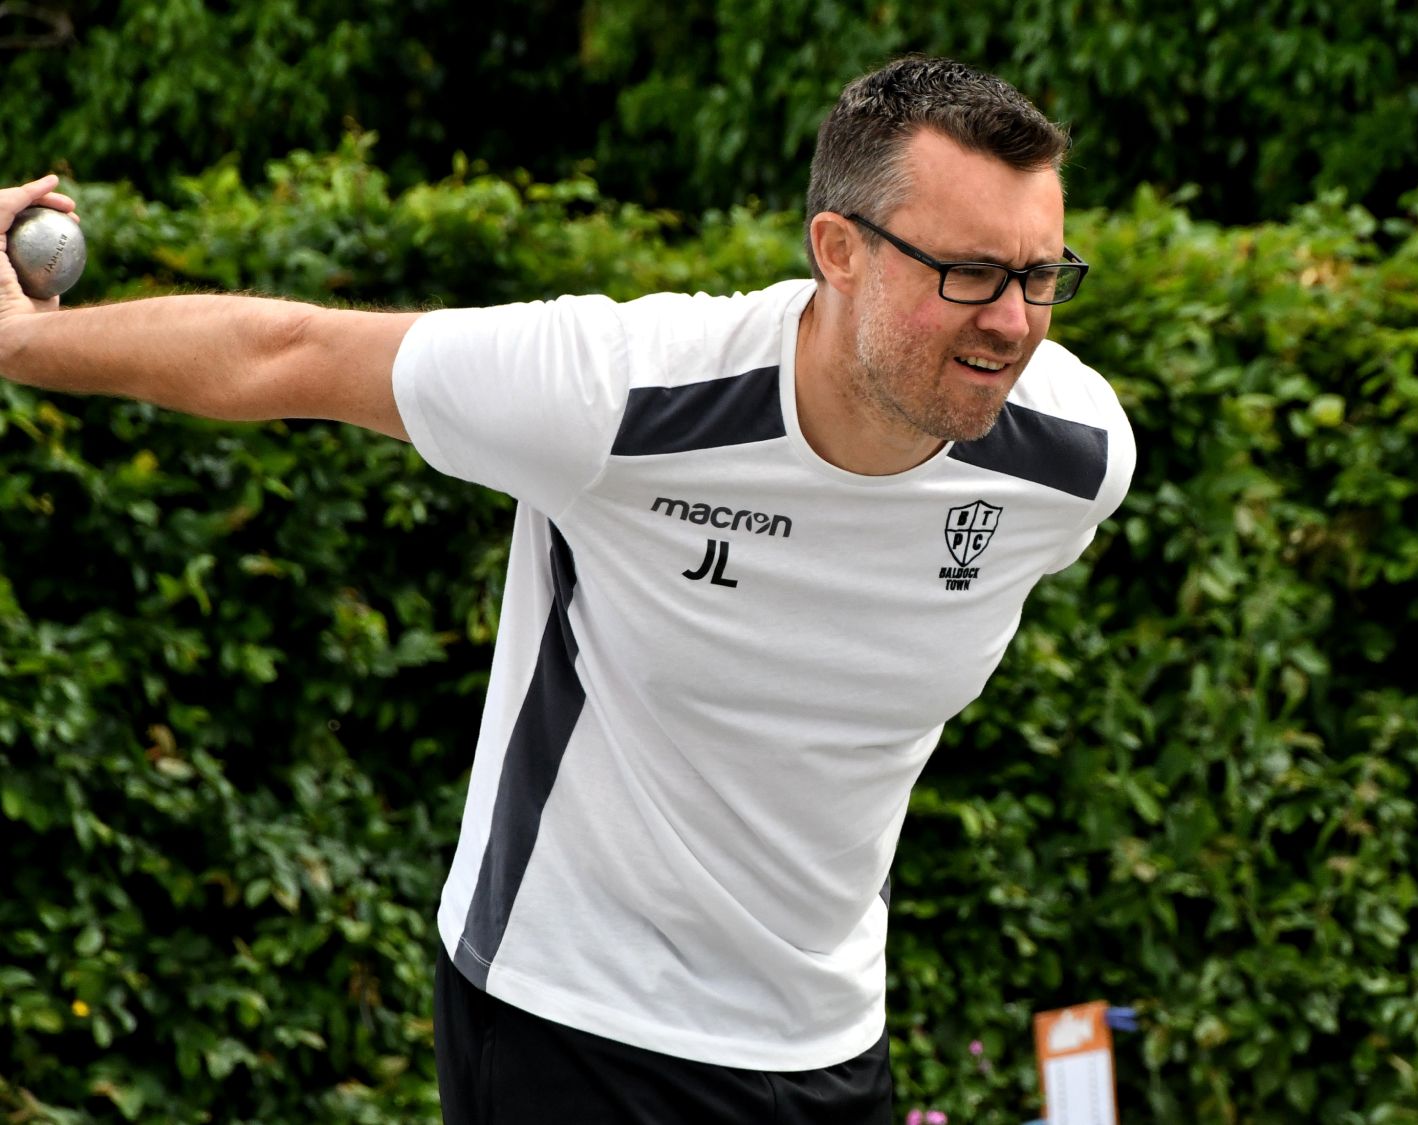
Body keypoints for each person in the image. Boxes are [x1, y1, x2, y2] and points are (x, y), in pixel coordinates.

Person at [0, 56, 1134, 1123]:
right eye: (969, 274)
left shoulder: (1072, 462)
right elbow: (283, 353)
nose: (1013, 322)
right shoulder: (622, 396)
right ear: (837, 249)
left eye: (1040, 276)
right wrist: (19, 344)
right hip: (568, 1021)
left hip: (826, 1044)